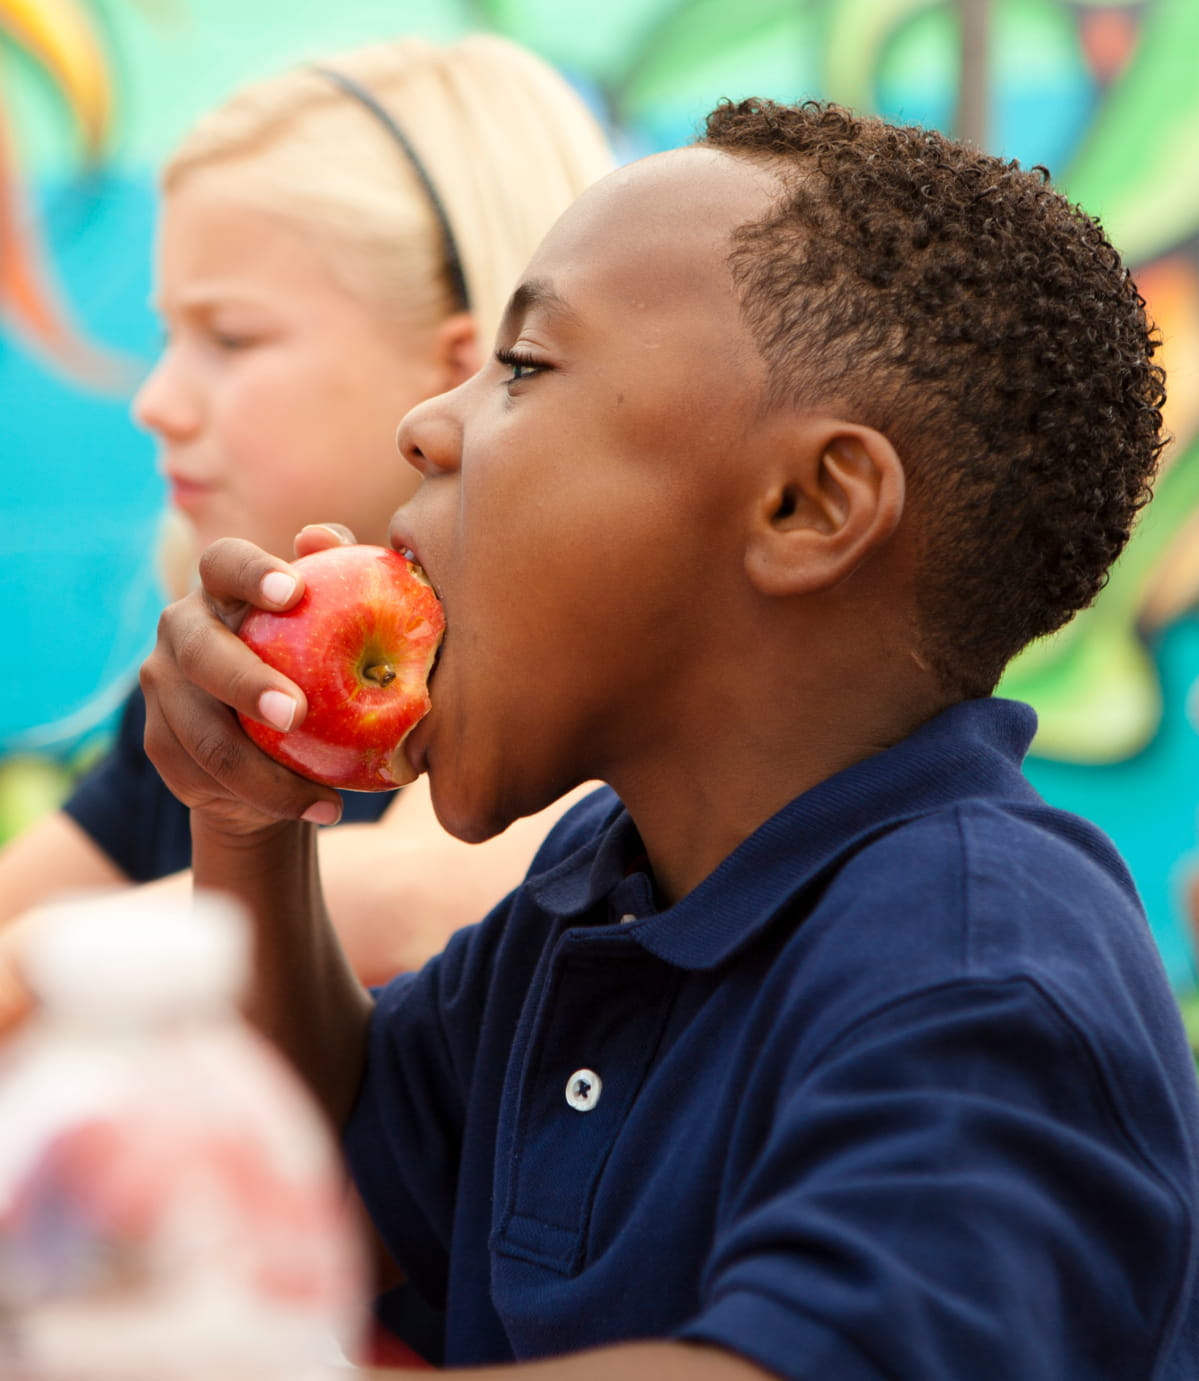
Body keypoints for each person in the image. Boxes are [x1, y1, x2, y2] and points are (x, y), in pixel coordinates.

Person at [137, 98, 1199, 1378]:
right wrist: (246, 820)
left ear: (806, 505)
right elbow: (317, 1176)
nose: (427, 425)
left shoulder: (979, 960)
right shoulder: (606, 887)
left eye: (523, 369)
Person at [0, 34, 613, 987]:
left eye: (230, 337)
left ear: (458, 369)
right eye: (169, 334)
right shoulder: (229, 672)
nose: (155, 401)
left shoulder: (579, 666)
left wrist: (42, 967)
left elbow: (410, 903)